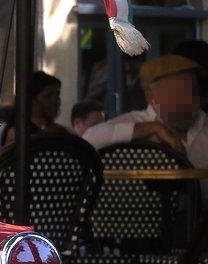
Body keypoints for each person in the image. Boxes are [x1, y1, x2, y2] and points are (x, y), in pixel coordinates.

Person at [82, 54, 206, 191]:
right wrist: (152, 128)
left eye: (192, 91)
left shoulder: (204, 122)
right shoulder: (137, 122)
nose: (187, 100)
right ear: (151, 97)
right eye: (177, 93)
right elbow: (89, 139)